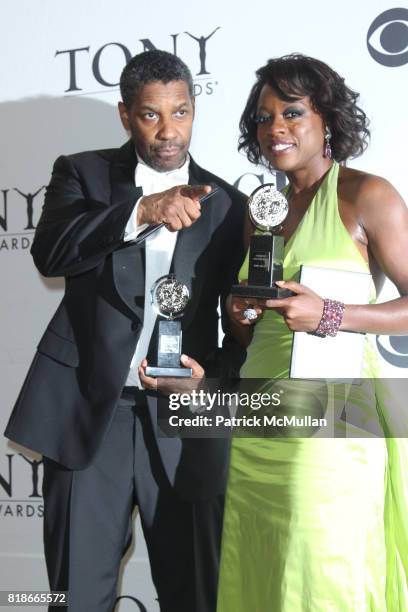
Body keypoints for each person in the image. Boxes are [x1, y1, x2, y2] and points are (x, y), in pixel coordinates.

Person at [5, 50, 246, 612]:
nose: (169, 131)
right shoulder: (81, 173)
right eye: (150, 115)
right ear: (124, 115)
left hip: (185, 423)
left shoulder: (229, 203)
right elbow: (51, 254)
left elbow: (238, 325)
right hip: (92, 413)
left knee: (196, 597)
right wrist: (143, 210)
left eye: (181, 112)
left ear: (194, 110)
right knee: (78, 595)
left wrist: (213, 378)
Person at [216, 54, 408, 611]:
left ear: (327, 118)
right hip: (261, 420)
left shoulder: (367, 195)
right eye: (264, 116)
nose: (275, 128)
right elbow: (257, 330)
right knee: (263, 569)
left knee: (319, 574)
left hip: (331, 426)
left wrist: (332, 315)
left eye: (292, 113)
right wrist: (241, 317)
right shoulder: (262, 213)